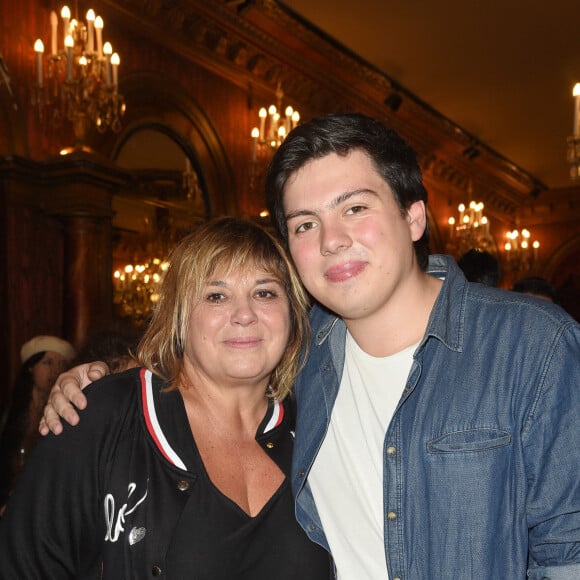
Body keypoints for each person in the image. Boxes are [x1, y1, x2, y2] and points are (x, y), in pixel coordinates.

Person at [40, 113, 580, 579]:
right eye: (305, 224)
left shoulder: (532, 346)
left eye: (354, 208)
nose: (331, 239)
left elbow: (568, 551)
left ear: (414, 216)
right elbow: (211, 359)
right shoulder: (302, 358)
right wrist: (103, 376)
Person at [0, 218, 331, 578]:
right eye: (216, 295)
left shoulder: (318, 430)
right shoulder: (102, 413)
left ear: (293, 312)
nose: (245, 314)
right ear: (179, 314)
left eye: (265, 292)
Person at [0, 335, 75, 512]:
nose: (56, 370)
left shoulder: (65, 415)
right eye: (48, 362)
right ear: (31, 368)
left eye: (61, 364)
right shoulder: (8, 415)